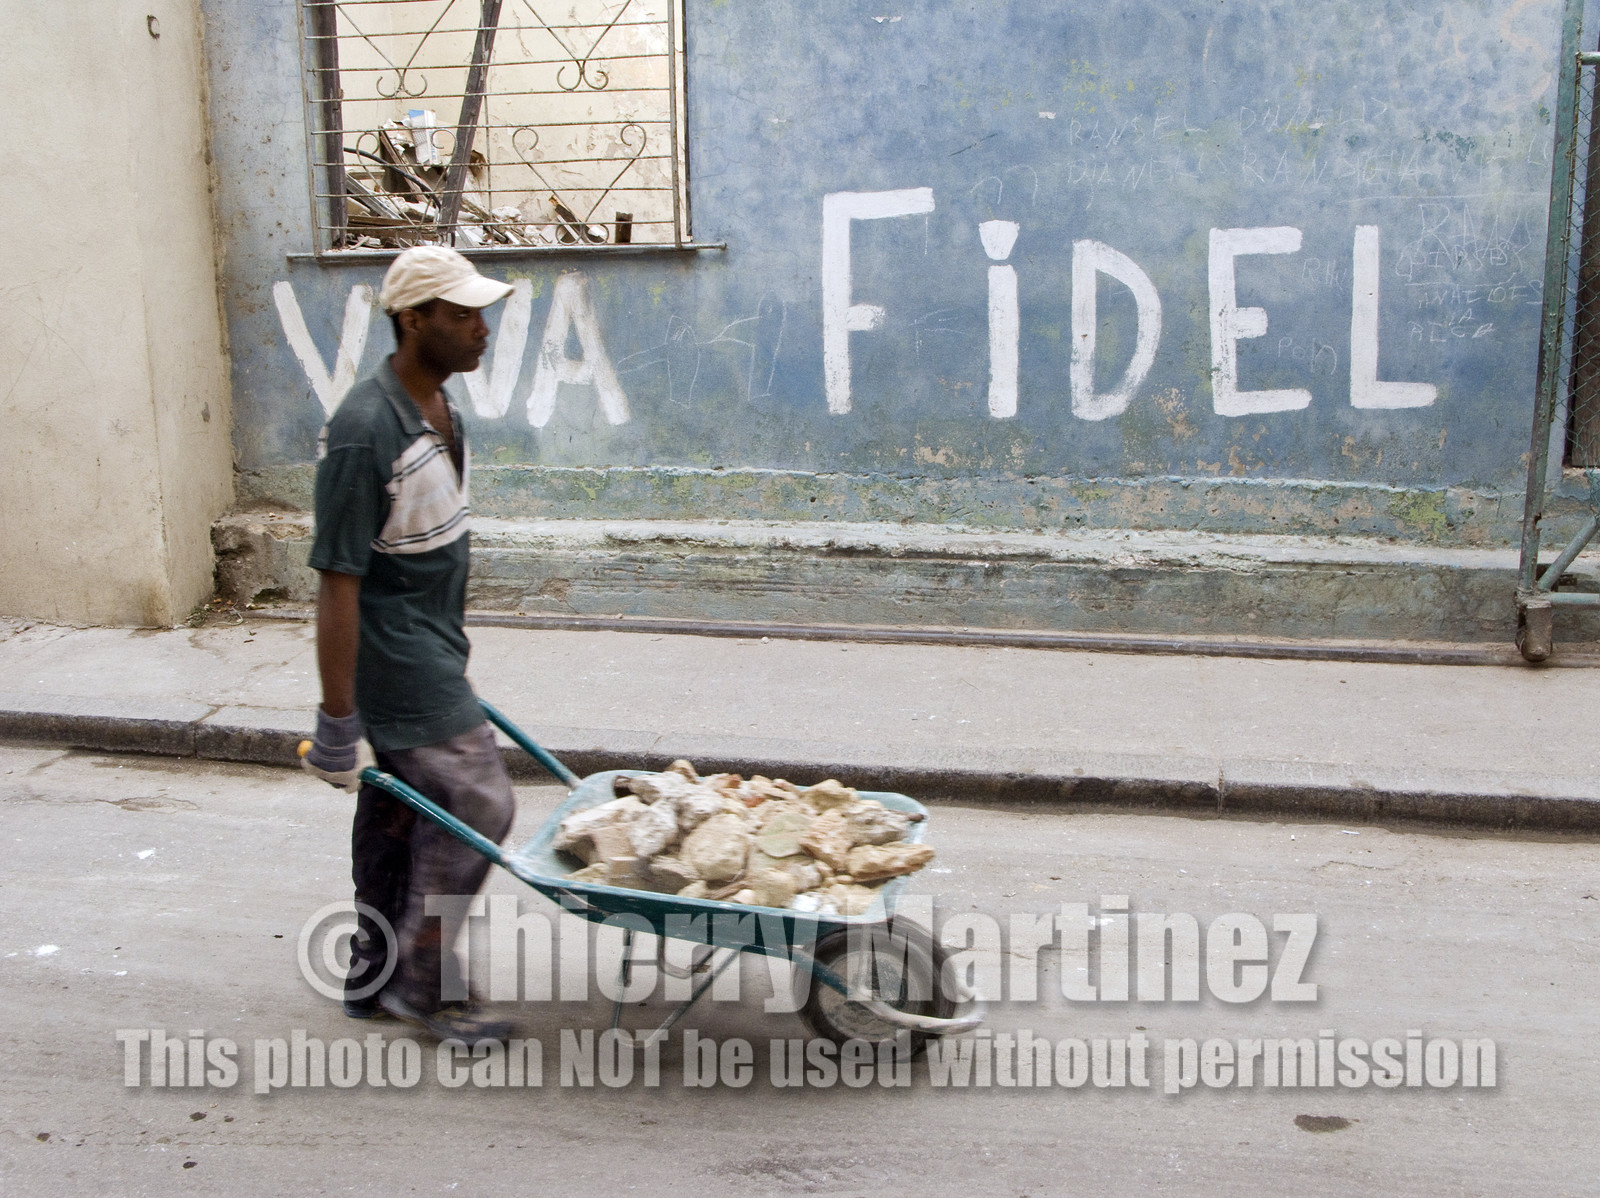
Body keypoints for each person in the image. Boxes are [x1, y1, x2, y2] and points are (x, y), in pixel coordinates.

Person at [300, 245, 516, 1040]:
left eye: (480, 313)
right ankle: (423, 988)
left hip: (433, 645)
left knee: (401, 813)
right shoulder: (365, 430)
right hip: (399, 662)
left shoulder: (439, 409)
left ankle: (375, 968)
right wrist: (337, 719)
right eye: (461, 316)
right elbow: (336, 579)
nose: (480, 329)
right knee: (478, 803)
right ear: (413, 319)